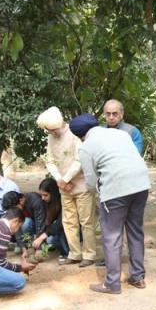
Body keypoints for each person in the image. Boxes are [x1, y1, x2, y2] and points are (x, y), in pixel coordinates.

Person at [71, 114, 150, 294]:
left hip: (116, 190)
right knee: (136, 231)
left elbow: (90, 181)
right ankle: (138, 277)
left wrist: (98, 194)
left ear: (79, 135)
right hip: (141, 185)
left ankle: (112, 283)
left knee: (112, 237)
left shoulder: (86, 148)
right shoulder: (121, 134)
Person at [37, 107, 96, 266]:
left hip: (82, 184)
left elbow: (80, 160)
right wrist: (60, 180)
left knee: (87, 221)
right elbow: (49, 161)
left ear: (56, 125)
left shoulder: (75, 132)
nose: (49, 133)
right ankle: (74, 253)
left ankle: (89, 255)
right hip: (63, 186)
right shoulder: (51, 138)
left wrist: (65, 179)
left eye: (50, 130)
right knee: (68, 221)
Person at [19, 180, 69, 258]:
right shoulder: (44, 202)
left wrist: (42, 237)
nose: (42, 198)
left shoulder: (63, 201)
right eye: (41, 195)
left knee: (50, 240)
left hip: (67, 230)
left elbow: (60, 223)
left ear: (53, 194)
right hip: (51, 230)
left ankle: (66, 252)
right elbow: (42, 223)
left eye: (45, 195)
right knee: (49, 239)